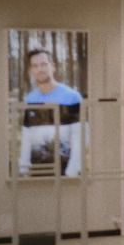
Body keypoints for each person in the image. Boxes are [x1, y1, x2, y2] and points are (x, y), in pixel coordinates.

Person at [19, 48, 85, 177]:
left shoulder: (72, 97)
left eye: (44, 64)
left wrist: (72, 170)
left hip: (65, 170)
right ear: (31, 70)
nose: (40, 69)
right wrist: (24, 168)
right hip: (38, 169)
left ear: (53, 67)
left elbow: (79, 137)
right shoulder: (30, 99)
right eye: (35, 66)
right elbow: (27, 136)